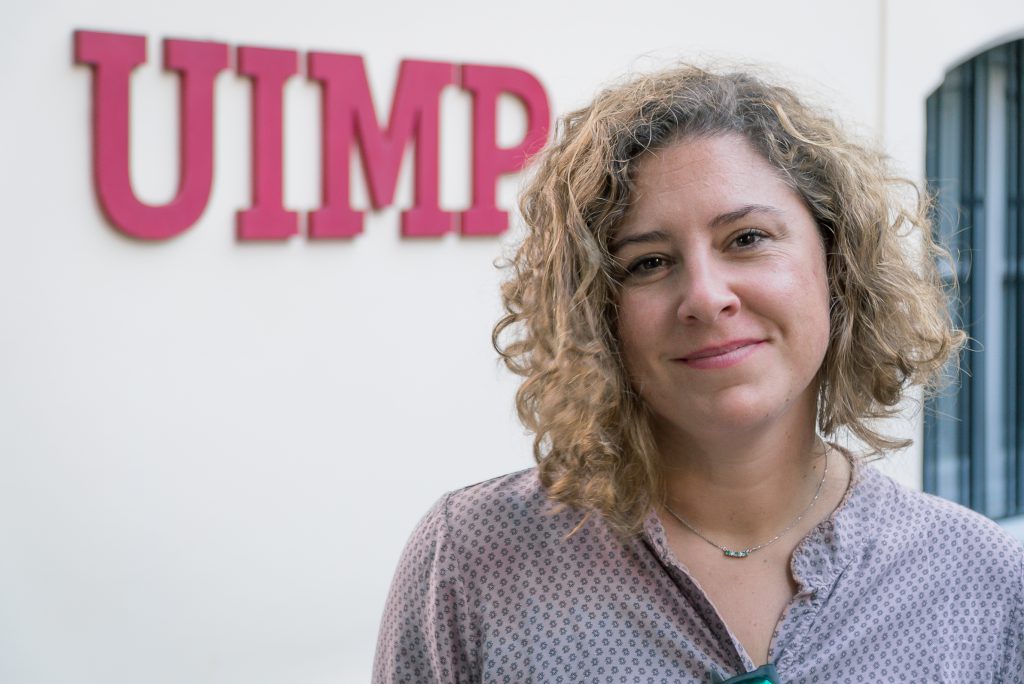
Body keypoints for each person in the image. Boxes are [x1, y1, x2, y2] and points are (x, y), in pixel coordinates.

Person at [372, 64, 1024, 683]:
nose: (706, 297)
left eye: (746, 239)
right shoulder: (472, 560)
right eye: (649, 262)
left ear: (837, 264)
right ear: (599, 312)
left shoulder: (981, 579)